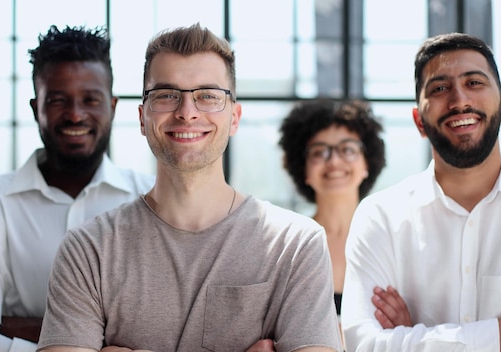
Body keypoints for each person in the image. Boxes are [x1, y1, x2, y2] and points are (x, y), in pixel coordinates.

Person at [37, 23, 342, 352]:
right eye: (166, 95)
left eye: (208, 96)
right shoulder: (89, 250)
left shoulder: (295, 244)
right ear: (142, 118)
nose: (187, 112)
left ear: (234, 117)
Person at [0, 25, 154, 352]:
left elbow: (164, 333)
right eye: (57, 100)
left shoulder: (149, 200)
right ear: (35, 108)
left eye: (90, 99)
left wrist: (14, 327)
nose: (74, 114)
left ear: (111, 107)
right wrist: (99, 340)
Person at [341, 32, 501, 352]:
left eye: (474, 82)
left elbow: (386, 345)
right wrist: (496, 336)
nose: (460, 101)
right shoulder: (381, 217)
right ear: (419, 121)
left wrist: (413, 337)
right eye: (440, 88)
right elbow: (365, 344)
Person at [278, 99, 386, 317]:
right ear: (303, 168)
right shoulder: (288, 246)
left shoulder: (389, 240)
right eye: (319, 152)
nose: (334, 161)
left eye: (348, 149)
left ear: (367, 163)